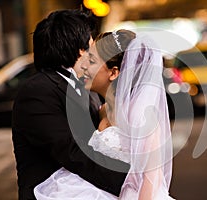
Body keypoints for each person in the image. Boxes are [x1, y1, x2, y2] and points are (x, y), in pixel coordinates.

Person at [34, 29, 175, 199]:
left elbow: (152, 177)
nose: (83, 66)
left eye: (92, 61)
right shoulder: (100, 110)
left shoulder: (142, 117)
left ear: (113, 73)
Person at [11, 10, 130, 200]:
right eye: (91, 45)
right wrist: (129, 184)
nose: (94, 51)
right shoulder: (38, 91)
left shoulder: (89, 88)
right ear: (80, 49)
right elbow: (73, 153)